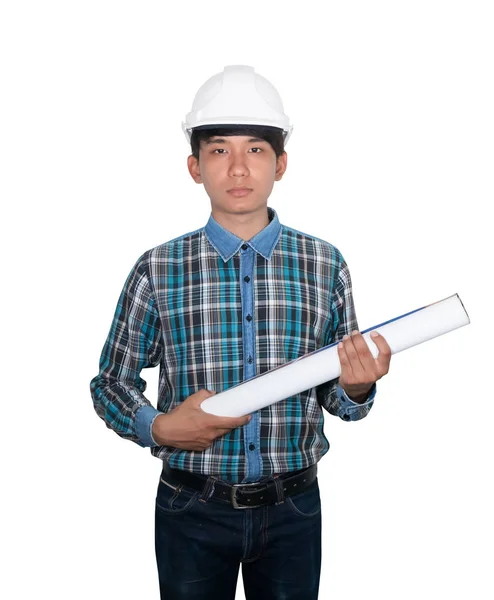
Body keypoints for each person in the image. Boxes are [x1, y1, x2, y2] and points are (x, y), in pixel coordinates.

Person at [90, 64, 391, 600]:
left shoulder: (324, 265)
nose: (237, 168)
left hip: (294, 509)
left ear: (281, 163)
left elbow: (340, 398)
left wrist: (359, 387)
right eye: (219, 150)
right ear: (194, 166)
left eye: (255, 149)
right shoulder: (158, 268)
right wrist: (157, 428)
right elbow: (110, 381)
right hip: (191, 510)